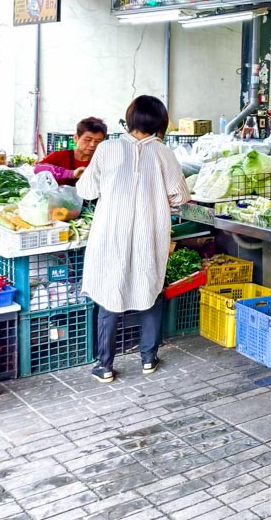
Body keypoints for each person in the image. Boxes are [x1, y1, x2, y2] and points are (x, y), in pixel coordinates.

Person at [77, 96, 189, 383]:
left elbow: (86, 190)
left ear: (130, 119)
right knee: (150, 287)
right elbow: (180, 195)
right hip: (149, 232)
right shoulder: (165, 153)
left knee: (108, 292)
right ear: (160, 122)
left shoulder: (108, 149)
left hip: (110, 233)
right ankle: (149, 358)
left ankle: (105, 366)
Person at [36, 118, 107, 186]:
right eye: (88, 140)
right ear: (76, 138)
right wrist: (71, 174)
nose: (92, 145)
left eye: (98, 141)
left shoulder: (103, 161)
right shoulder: (61, 156)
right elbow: (37, 169)